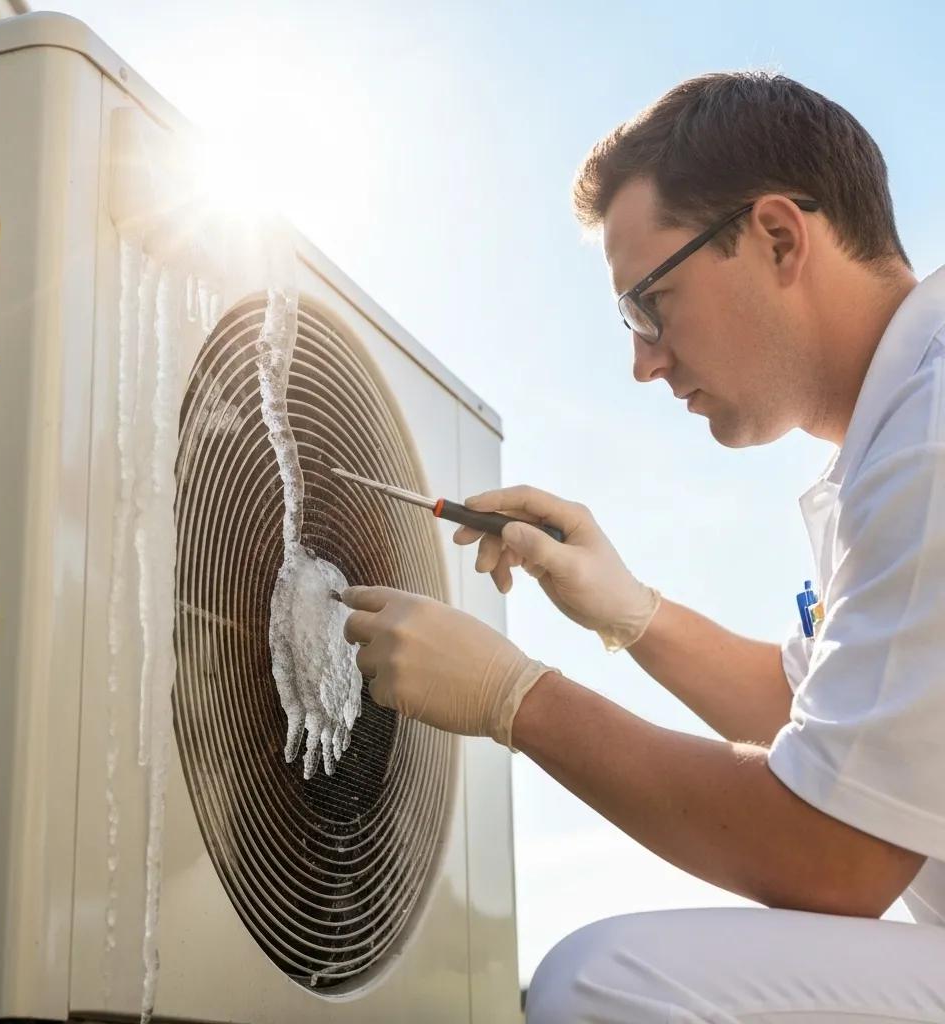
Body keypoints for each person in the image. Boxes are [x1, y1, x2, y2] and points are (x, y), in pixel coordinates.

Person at [339, 72, 945, 1022]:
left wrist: (515, 698)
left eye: (652, 304)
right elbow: (836, 725)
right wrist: (629, 611)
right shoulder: (904, 427)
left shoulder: (932, 438)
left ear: (779, 238)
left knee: (607, 981)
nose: (644, 361)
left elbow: (837, 853)